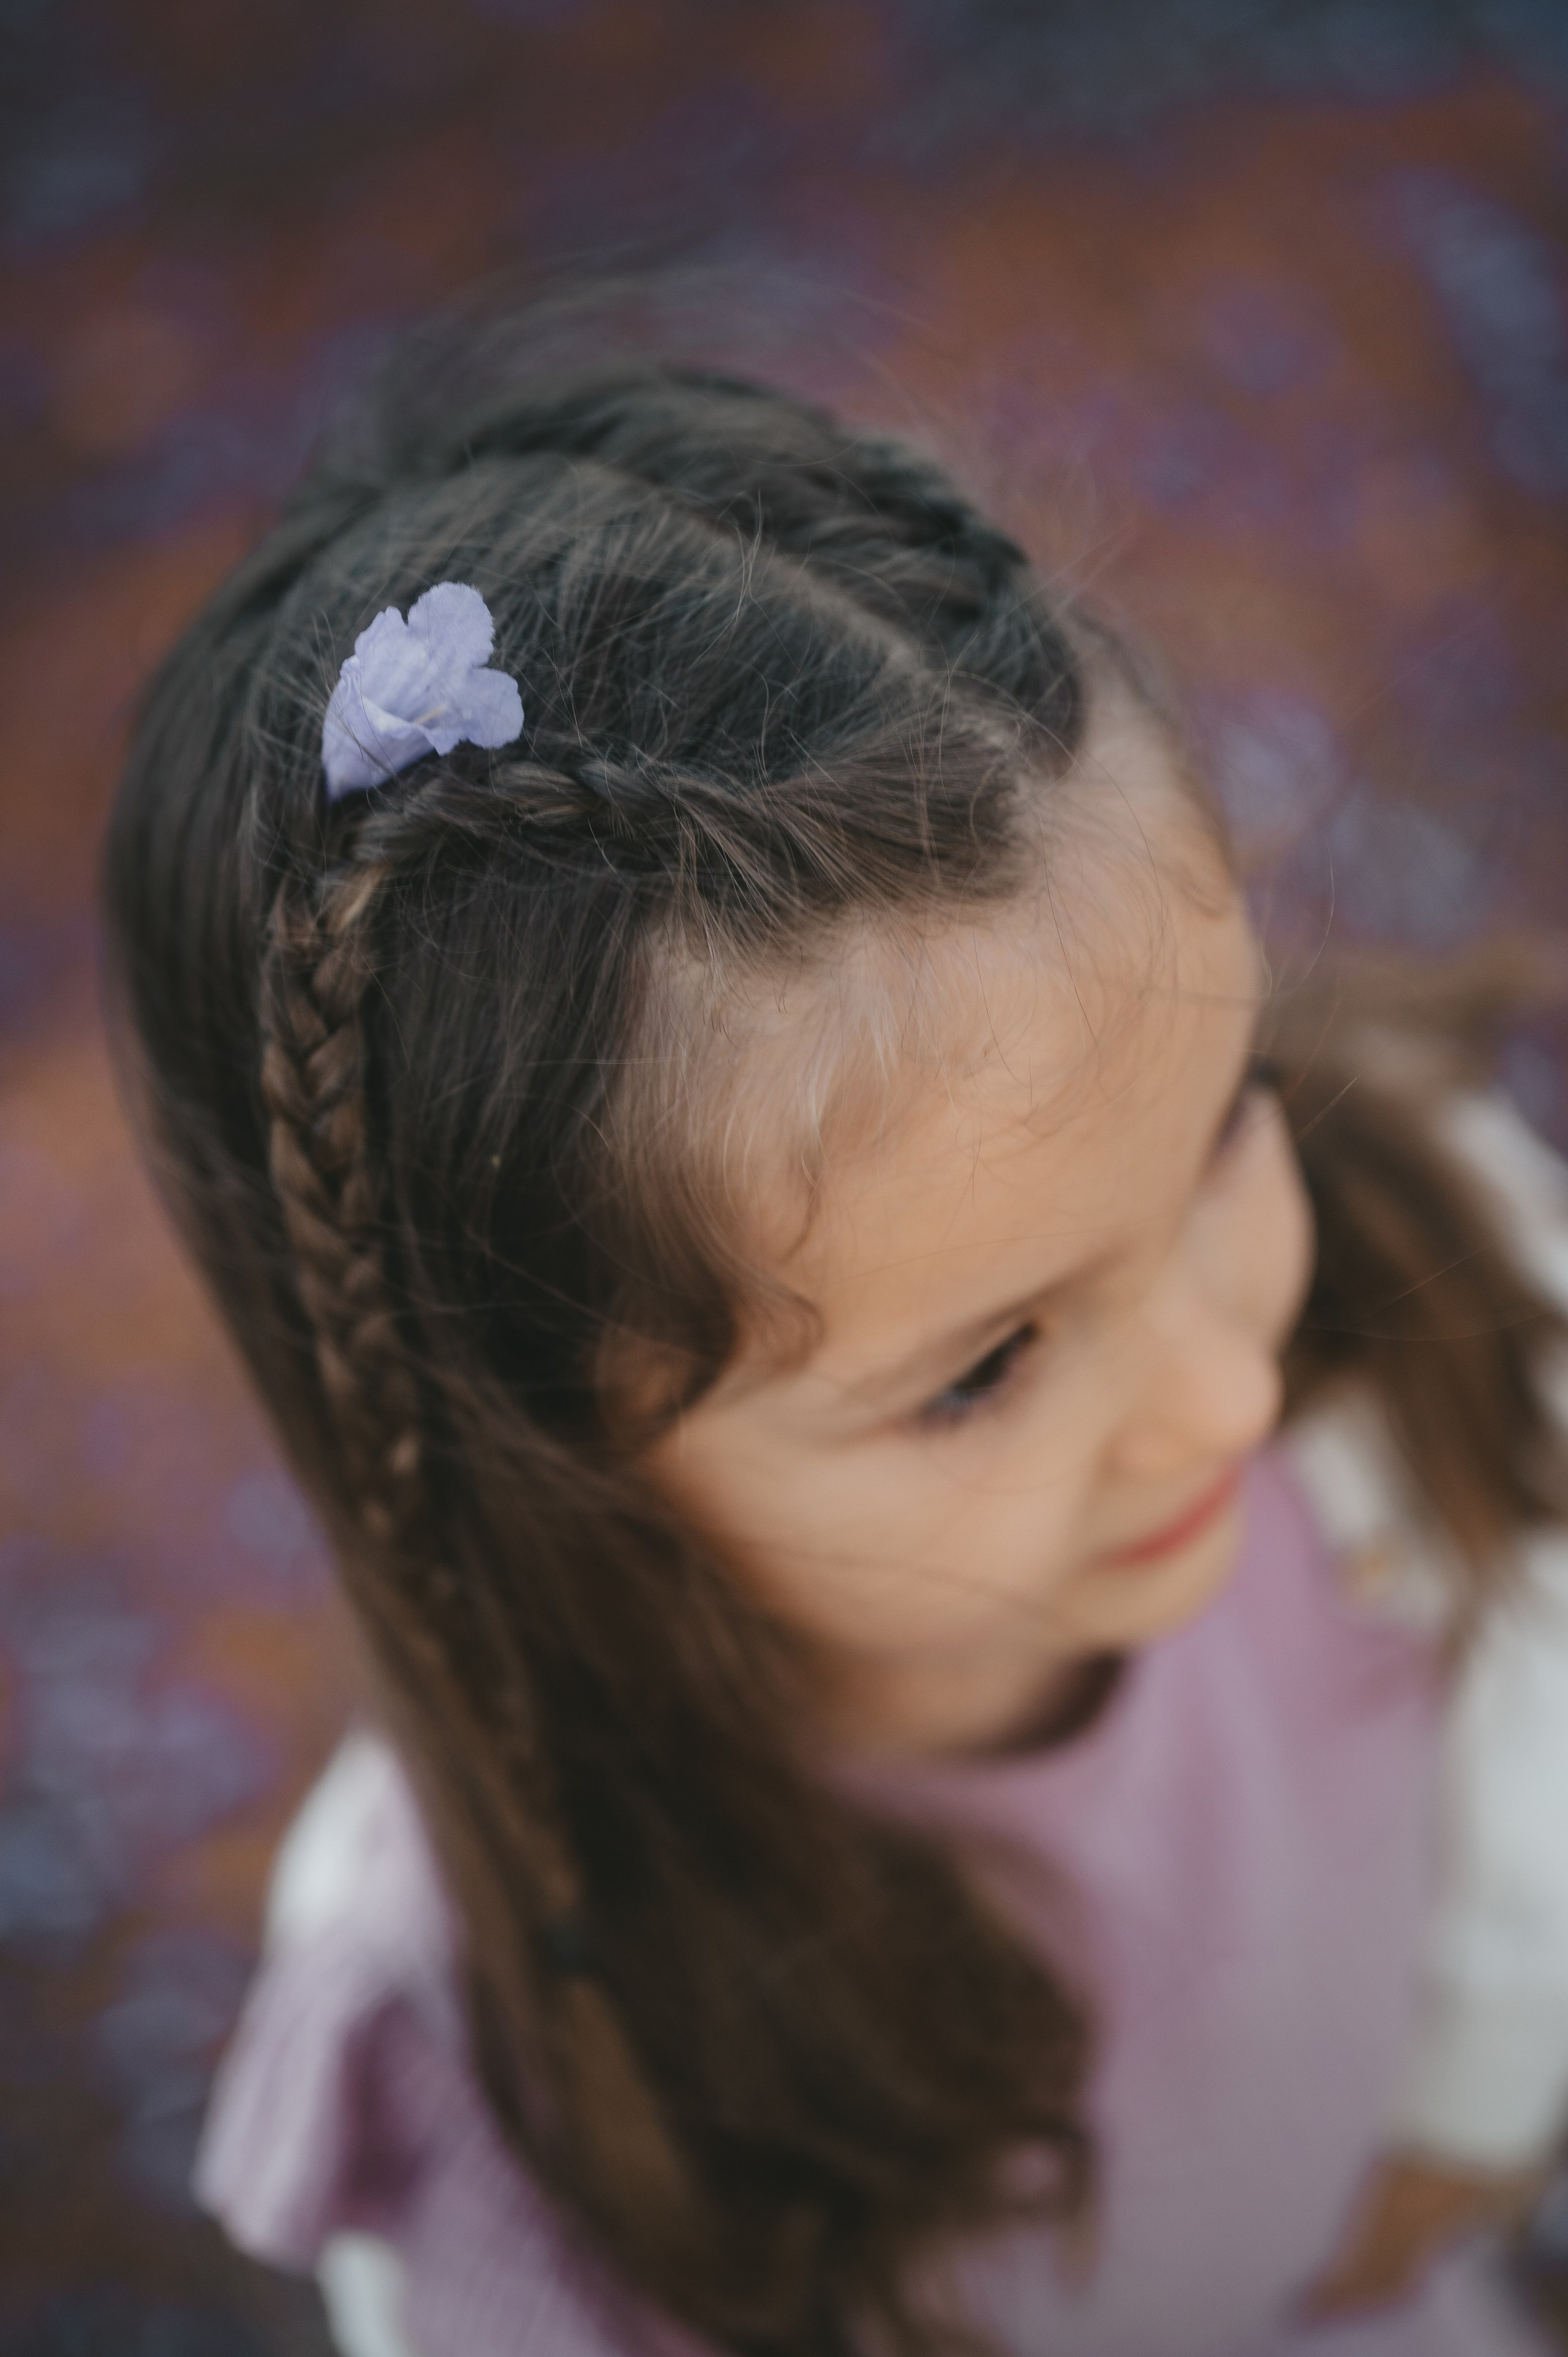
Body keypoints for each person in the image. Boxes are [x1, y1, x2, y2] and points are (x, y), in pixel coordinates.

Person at [100, 309, 1568, 2357]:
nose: (1235, 1386)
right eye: (985, 1367)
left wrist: (1479, 2090)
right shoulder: (511, 2059)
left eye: (1232, 1124)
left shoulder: (1423, 1296)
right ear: (541, 1471)